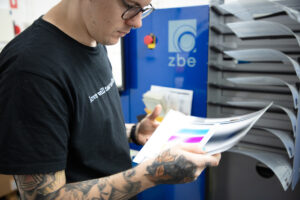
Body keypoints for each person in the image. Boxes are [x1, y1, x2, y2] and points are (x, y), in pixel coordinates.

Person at [0, 0, 221, 199]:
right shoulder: (30, 71)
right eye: (130, 5)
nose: (137, 23)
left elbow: (77, 131)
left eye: (143, 9)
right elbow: (44, 197)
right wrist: (151, 175)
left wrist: (134, 132)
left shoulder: (95, 37)